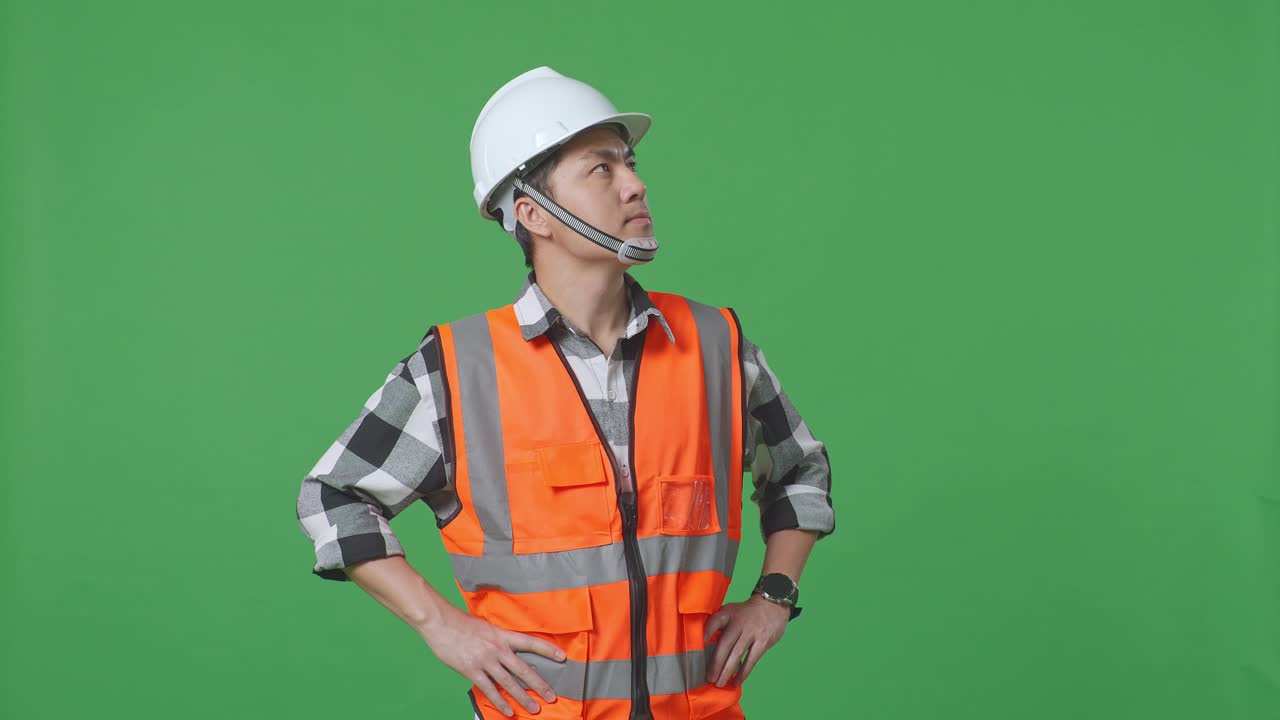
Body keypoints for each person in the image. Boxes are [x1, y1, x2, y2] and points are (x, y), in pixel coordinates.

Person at [295, 66, 835, 720]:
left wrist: (774, 595)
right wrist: (441, 626)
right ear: (531, 213)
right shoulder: (457, 370)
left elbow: (801, 468)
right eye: (601, 170)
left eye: (629, 164)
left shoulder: (714, 346)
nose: (636, 184)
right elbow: (333, 495)